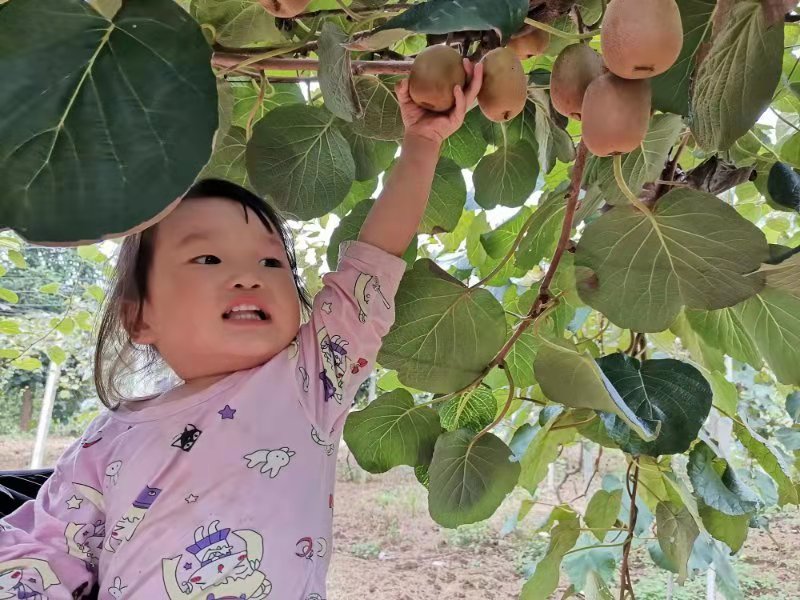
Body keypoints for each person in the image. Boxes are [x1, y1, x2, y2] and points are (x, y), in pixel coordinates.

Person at [0, 61, 483, 599]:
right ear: (140, 316)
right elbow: (43, 548)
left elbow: (370, 267)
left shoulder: (310, 381)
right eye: (207, 257)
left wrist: (422, 143)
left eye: (273, 263)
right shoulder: (107, 438)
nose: (248, 275)